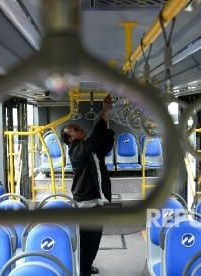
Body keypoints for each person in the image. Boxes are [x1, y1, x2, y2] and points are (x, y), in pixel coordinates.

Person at [61, 94, 115, 276]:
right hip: (85, 205)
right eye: (75, 129)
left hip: (96, 201)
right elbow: (94, 142)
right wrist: (104, 111)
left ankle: (88, 264)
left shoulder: (86, 148)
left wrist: (106, 120)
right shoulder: (75, 151)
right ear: (70, 139)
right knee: (86, 244)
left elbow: (103, 144)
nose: (79, 128)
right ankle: (84, 270)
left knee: (95, 240)